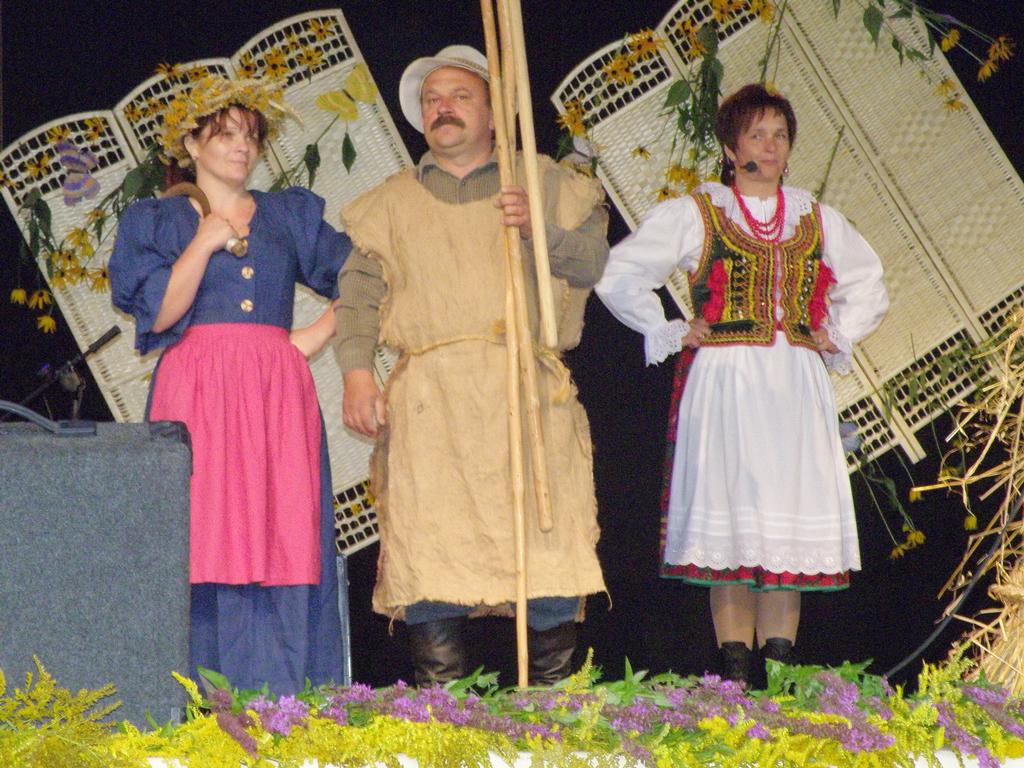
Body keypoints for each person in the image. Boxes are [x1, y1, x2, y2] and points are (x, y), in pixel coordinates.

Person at [595, 84, 888, 687]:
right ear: (732, 148)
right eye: (758, 134)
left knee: (785, 526)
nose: (771, 145)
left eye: (780, 135)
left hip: (795, 383)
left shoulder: (814, 217)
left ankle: (779, 683)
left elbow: (868, 281)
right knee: (732, 525)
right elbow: (620, 272)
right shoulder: (699, 213)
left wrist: (836, 332)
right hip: (727, 380)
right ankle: (734, 680)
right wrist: (668, 327)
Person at [335, 45, 607, 686]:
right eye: (432, 100)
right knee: (431, 548)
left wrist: (537, 231)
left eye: (460, 96)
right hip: (432, 401)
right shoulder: (389, 204)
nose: (443, 108)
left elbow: (591, 265)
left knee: (548, 543)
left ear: (492, 112)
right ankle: (445, 713)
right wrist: (356, 373)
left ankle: (554, 714)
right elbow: (357, 297)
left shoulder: (544, 183)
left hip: (524, 389)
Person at [110, 75, 350, 694]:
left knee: (283, 530)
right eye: (224, 135)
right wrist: (203, 243)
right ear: (191, 143)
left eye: (250, 135)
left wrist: (312, 336)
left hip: (274, 393)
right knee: (200, 534)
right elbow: (157, 315)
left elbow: (364, 275)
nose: (242, 147)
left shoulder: (287, 215)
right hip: (196, 392)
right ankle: (199, 703)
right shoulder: (159, 220)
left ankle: (282, 702)